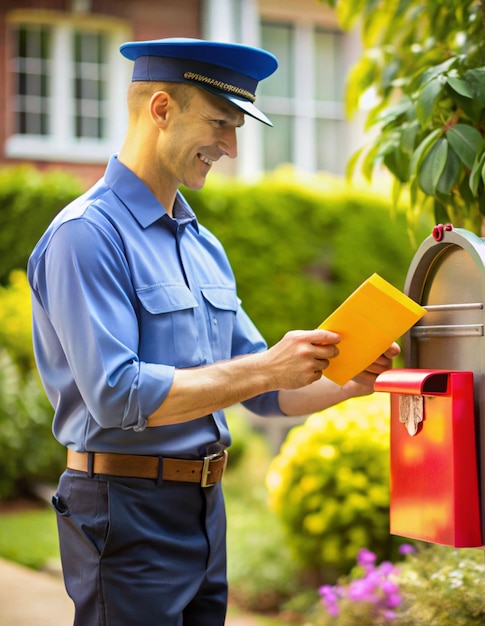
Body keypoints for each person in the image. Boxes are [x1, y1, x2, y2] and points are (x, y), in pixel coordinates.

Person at [27, 37, 399, 626]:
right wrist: (267, 367)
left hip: (204, 508)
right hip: (124, 512)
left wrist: (355, 382)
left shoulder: (204, 246)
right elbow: (117, 395)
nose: (229, 147)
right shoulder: (86, 235)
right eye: (220, 123)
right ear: (161, 109)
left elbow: (268, 391)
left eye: (236, 128)